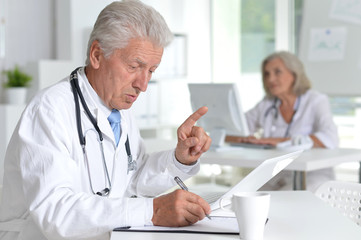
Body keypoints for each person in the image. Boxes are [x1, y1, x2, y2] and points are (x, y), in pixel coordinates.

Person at [0, 1, 212, 239]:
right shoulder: (50, 110)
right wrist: (152, 210)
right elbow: (56, 212)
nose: (143, 85)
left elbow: (131, 181)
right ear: (97, 55)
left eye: (151, 71)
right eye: (134, 66)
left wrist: (179, 159)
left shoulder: (118, 108)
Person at [226, 51, 339, 191]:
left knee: (281, 201)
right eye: (266, 74)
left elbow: (330, 137)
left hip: (311, 175)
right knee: (241, 195)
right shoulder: (267, 104)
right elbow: (235, 128)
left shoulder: (315, 101)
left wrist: (278, 141)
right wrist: (245, 138)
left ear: (294, 74)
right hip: (276, 175)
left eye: (277, 72)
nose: (270, 79)